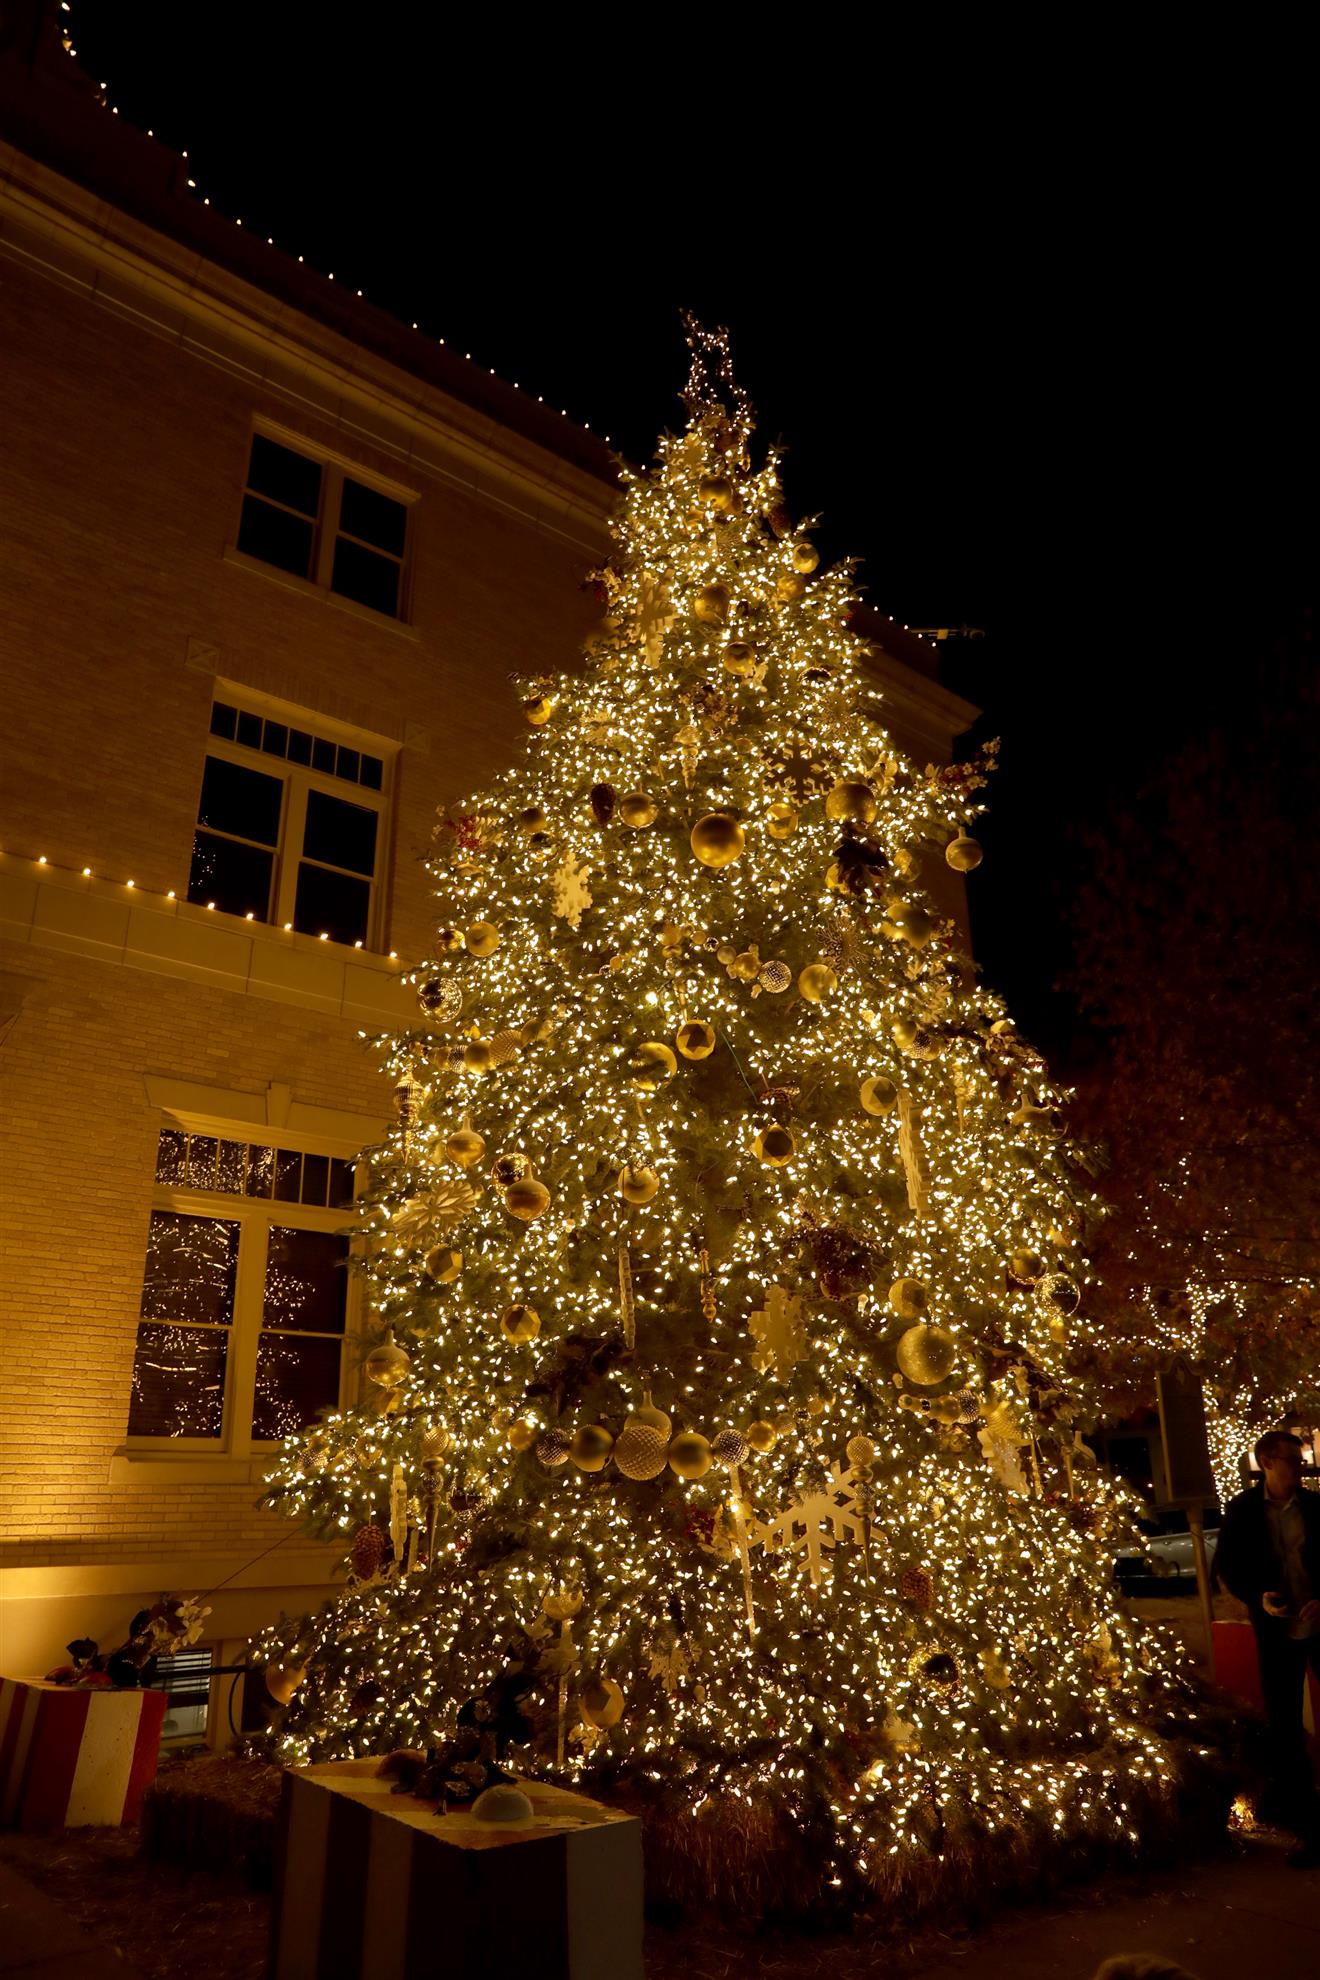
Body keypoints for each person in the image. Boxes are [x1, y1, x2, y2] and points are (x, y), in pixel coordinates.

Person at [1214, 1427, 1320, 1866]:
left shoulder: (1316, 1506)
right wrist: (1259, 1596)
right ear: (1267, 1463)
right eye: (1292, 1460)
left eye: (1302, 1460)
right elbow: (1229, 1566)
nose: (1300, 1468)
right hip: (1277, 1632)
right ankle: (1309, 1831)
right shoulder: (1242, 1511)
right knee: (1286, 1728)